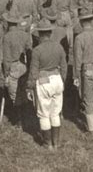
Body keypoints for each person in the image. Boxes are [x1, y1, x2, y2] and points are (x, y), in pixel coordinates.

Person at [27, 19, 67, 149]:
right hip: (57, 79)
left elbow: (33, 71)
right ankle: (57, 142)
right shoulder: (59, 47)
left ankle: (47, 143)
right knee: (55, 112)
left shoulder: (37, 50)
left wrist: (29, 87)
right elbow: (64, 66)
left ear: (39, 34)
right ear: (50, 32)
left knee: (44, 113)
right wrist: (62, 80)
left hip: (44, 81)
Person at [73, 10, 93, 135]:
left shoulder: (79, 38)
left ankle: (92, 130)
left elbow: (77, 59)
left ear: (81, 22)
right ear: (91, 21)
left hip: (87, 70)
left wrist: (76, 75)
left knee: (88, 100)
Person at [2, 12, 32, 126]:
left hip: (13, 66)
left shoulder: (7, 37)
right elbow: (29, 52)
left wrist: (6, 73)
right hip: (23, 65)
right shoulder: (25, 35)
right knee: (23, 90)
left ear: (9, 23)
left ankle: (19, 120)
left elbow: (6, 58)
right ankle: (26, 115)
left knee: (14, 94)